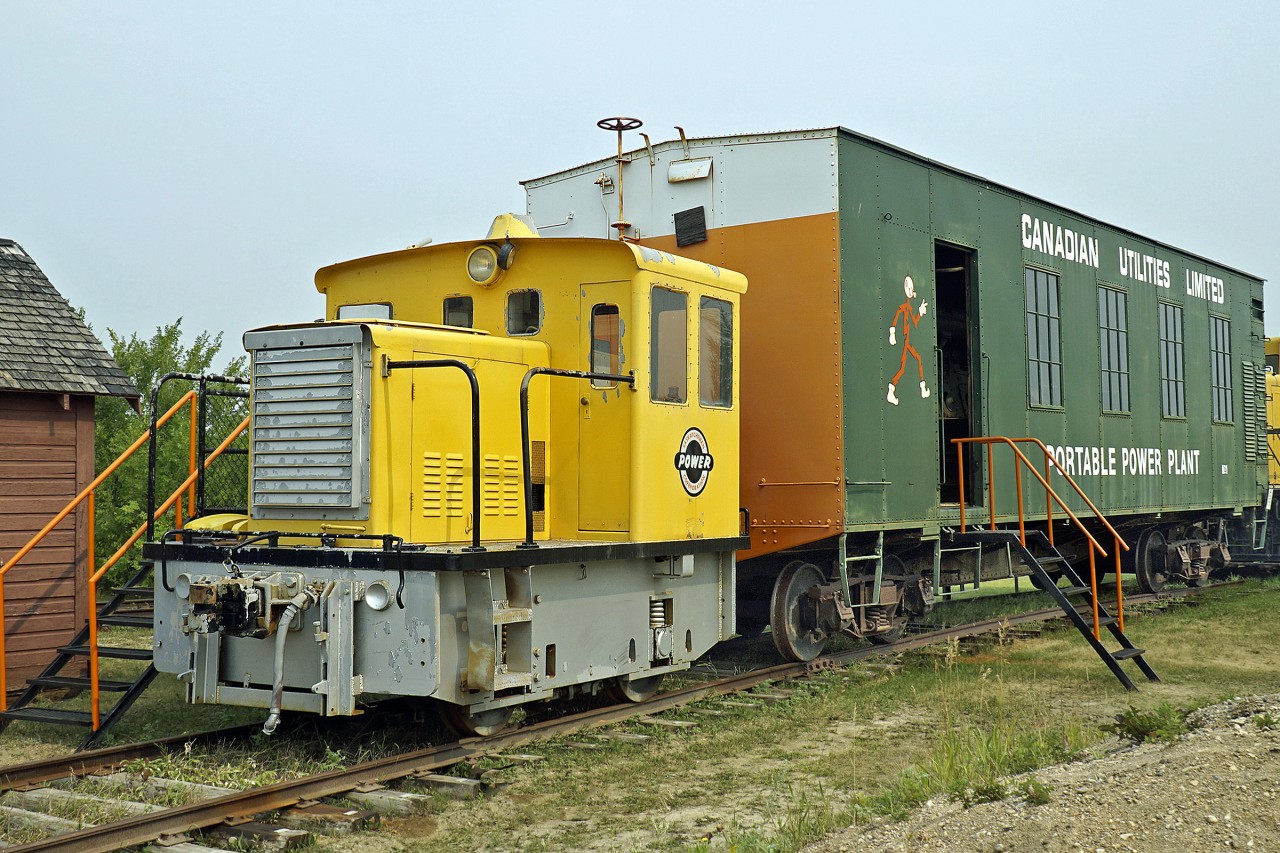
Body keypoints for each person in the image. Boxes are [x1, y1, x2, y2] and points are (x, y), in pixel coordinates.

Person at [887, 275, 930, 406]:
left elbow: (914, 324)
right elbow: (896, 318)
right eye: (909, 288)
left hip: (908, 342)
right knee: (903, 368)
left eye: (912, 288)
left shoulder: (909, 308)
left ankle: (922, 388)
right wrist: (892, 333)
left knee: (917, 359)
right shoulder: (903, 307)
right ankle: (891, 390)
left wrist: (920, 312)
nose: (912, 290)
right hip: (905, 341)